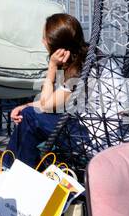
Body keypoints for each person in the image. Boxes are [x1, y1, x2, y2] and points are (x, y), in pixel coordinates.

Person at [7, 13, 88, 168]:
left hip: (95, 141)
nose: (42, 41)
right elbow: (56, 102)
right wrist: (29, 105)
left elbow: (46, 106)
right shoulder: (86, 58)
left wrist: (52, 66)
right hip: (96, 129)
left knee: (29, 118)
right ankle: (16, 170)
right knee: (29, 114)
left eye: (45, 38)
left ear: (57, 48)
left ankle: (13, 172)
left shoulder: (79, 70)